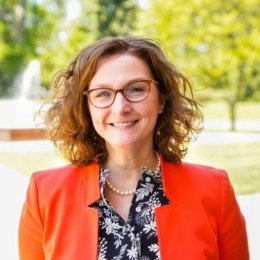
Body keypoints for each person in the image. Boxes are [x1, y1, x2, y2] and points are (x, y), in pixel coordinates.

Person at [19, 37, 249, 260]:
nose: (120, 107)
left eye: (136, 89)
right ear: (86, 108)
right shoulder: (45, 194)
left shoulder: (213, 190)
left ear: (161, 100)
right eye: (103, 94)